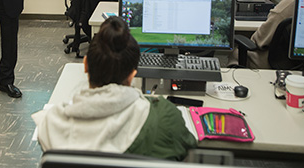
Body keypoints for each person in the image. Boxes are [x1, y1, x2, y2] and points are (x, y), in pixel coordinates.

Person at [32, 16, 197, 160]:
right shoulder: (166, 119)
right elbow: (190, 151)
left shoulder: (49, 126)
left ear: (86, 65)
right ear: (133, 75)